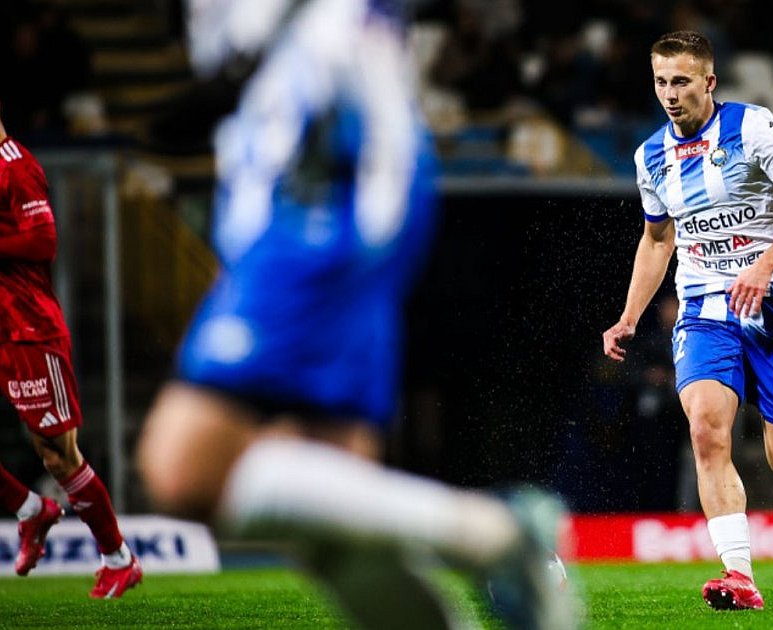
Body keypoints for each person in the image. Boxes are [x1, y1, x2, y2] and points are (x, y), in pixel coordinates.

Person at [136, 2, 575, 628]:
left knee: (184, 469)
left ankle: (497, 532)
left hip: (322, 176)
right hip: (333, 161)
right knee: (332, 506)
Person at [602, 30, 773, 611]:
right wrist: (630, 316)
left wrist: (764, 266)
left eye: (681, 81)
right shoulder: (650, 156)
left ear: (708, 82)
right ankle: (739, 575)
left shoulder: (752, 128)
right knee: (707, 432)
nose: (669, 93)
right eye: (661, 82)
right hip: (705, 311)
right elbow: (658, 239)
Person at [0, 110, 141, 597]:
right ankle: (29, 509)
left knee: (59, 456)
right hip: (2, 328)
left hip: (30, 331)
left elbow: (43, 240)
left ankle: (118, 557)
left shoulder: (15, 166)